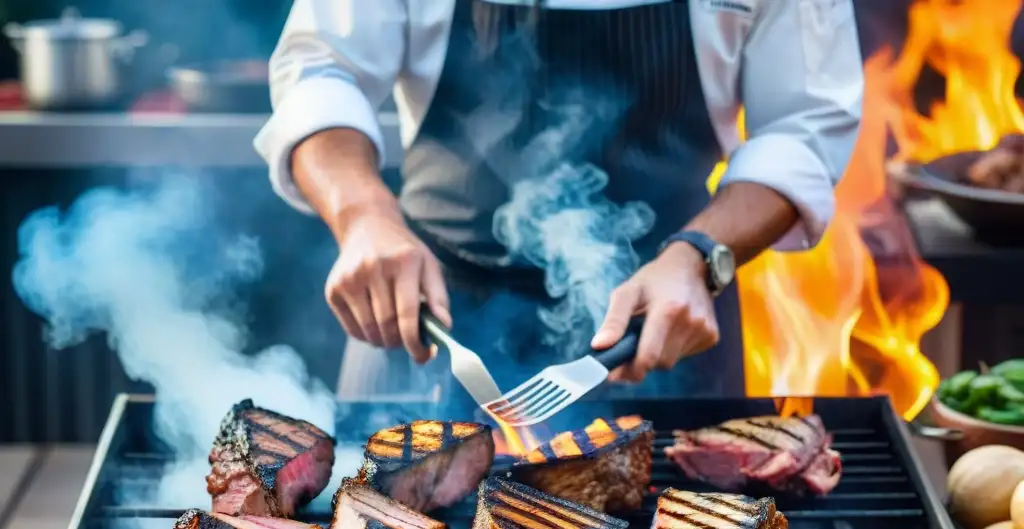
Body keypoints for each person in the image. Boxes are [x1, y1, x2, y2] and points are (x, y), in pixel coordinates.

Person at [254, 0, 863, 415]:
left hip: (664, 327)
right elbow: (321, 70)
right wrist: (363, 216)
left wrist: (700, 255)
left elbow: (805, 126)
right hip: (424, 317)